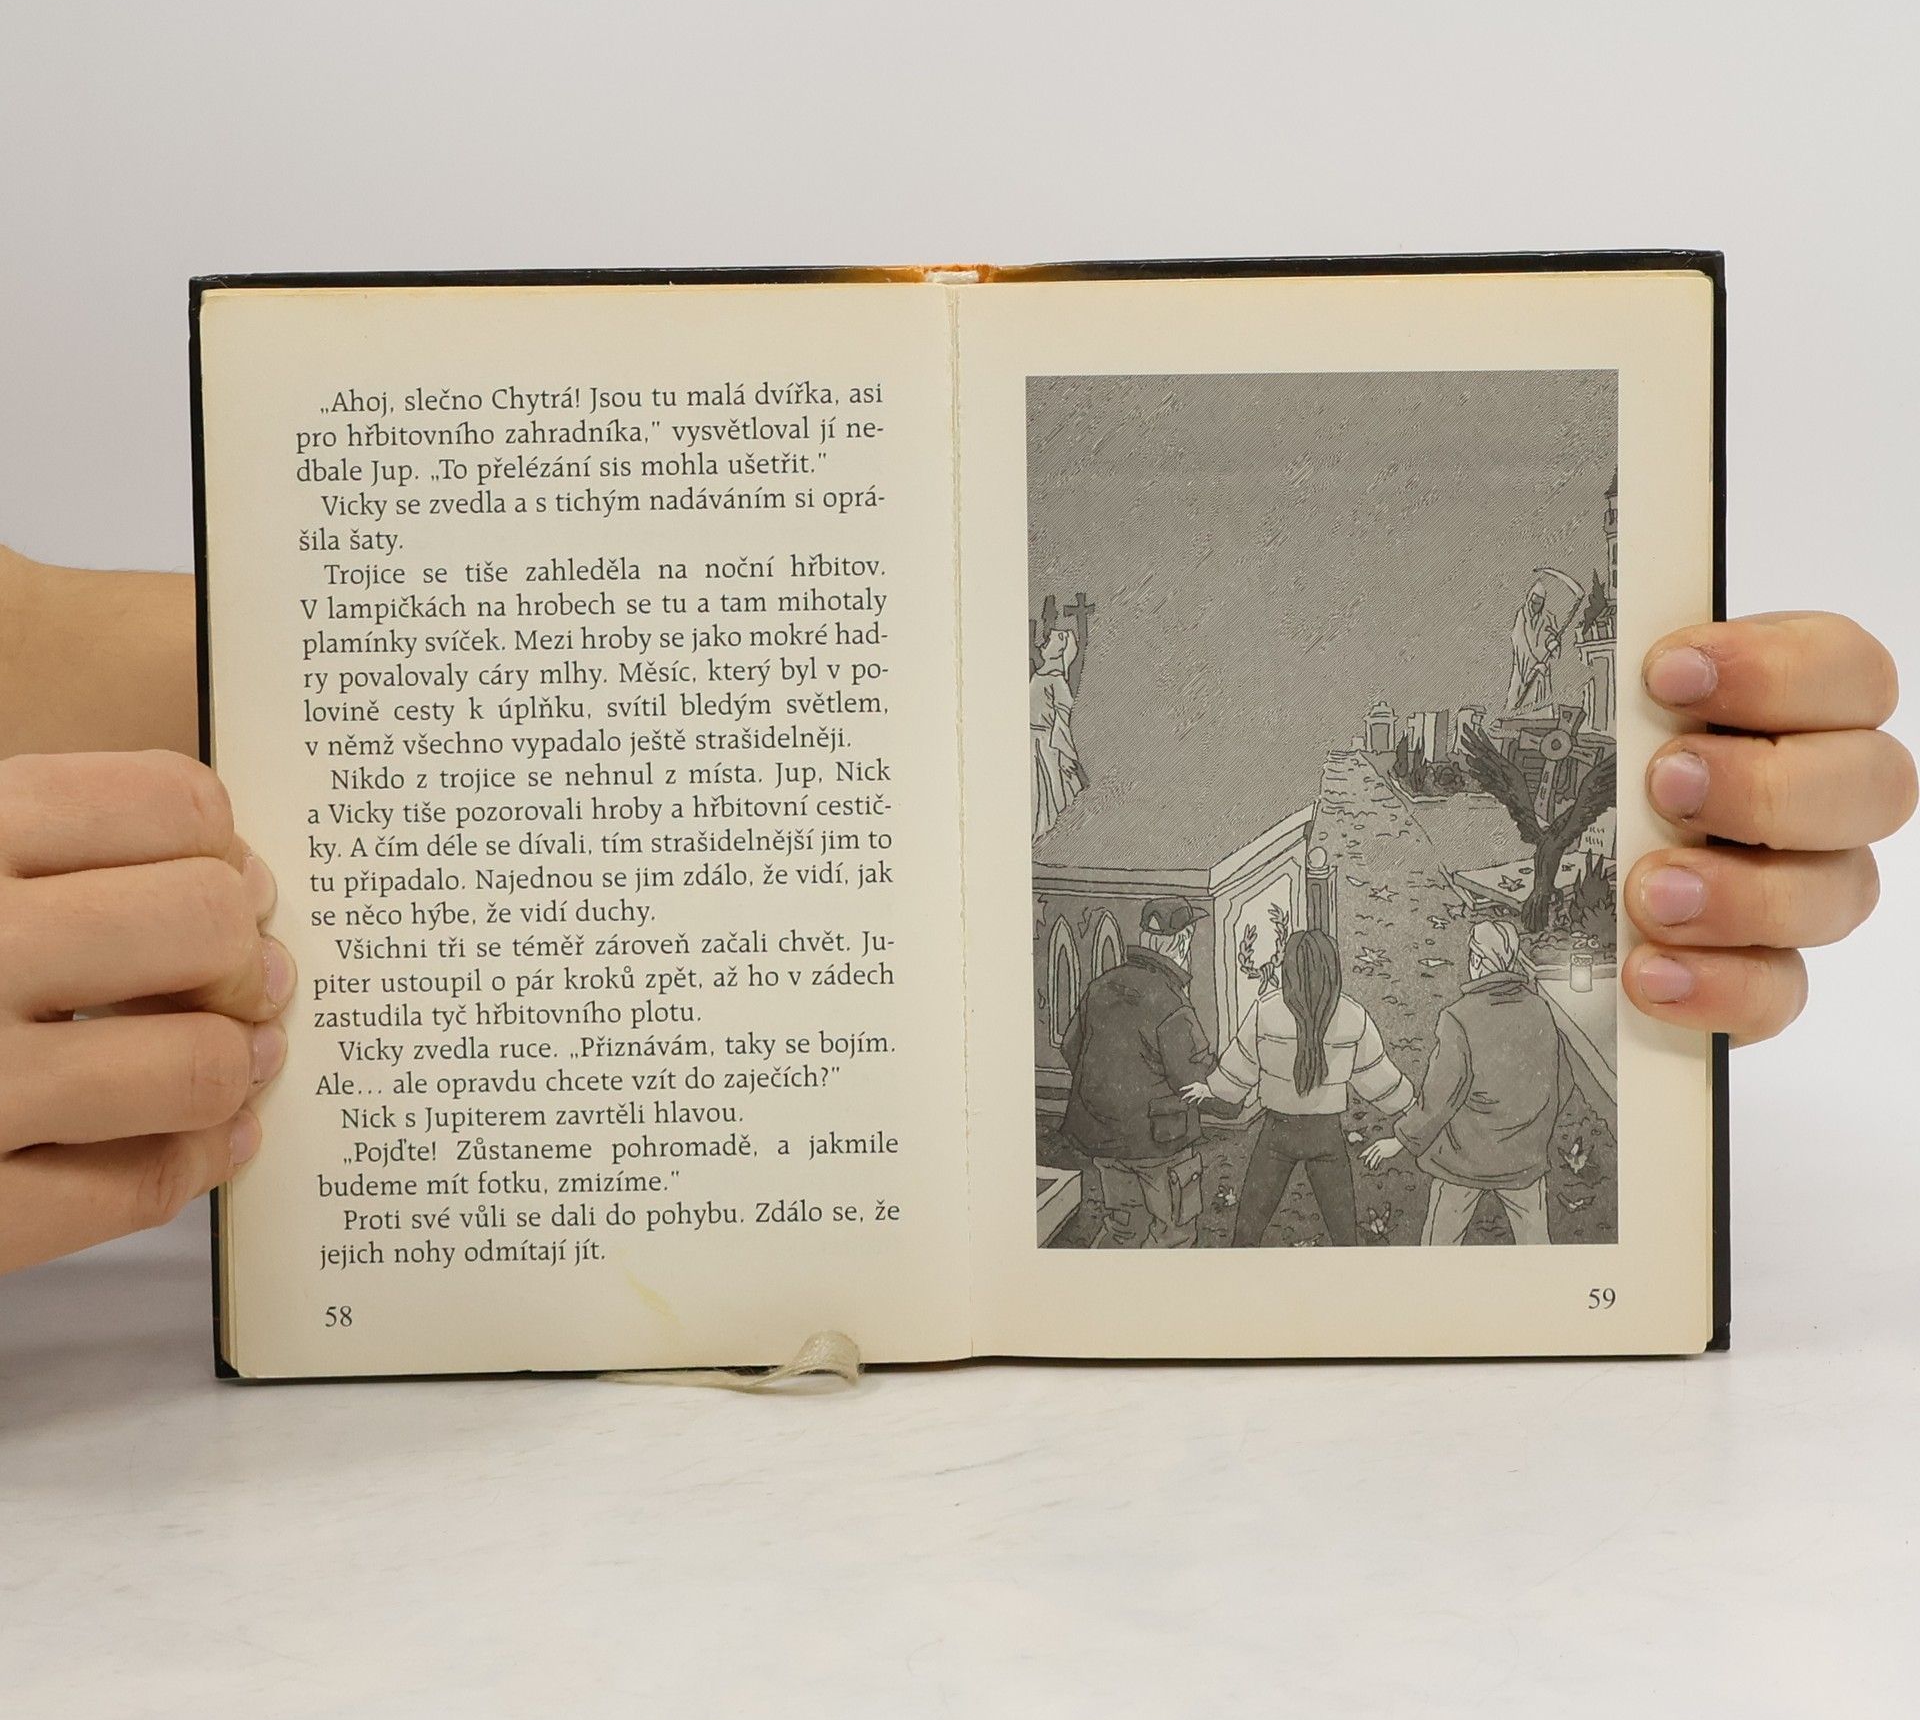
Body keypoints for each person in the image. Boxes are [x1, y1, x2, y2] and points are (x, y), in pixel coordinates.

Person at [0, 539, 1914, 1278]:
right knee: (1349, 1198)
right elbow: (1246, 1059)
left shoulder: (1301, 975)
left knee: (1383, 1202)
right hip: (1253, 1131)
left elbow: (1318, 1042)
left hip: (1308, 1128)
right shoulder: (1234, 989)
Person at [1185, 927, 1412, 1246]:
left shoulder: (1265, 1011)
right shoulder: (1353, 1015)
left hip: (1277, 1132)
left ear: (1287, 969)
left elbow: (1241, 1067)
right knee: (1344, 1232)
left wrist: (1212, 1089)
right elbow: (1376, 1077)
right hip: (1326, 1134)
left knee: (1248, 1228)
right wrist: (1411, 1106)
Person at [1361, 920, 1566, 1245]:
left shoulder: (1458, 1017)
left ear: (1478, 961)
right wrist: (1534, 1128)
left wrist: (1400, 1139)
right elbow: (1561, 1080)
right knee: (1537, 1242)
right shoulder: (1540, 1009)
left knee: (1439, 1246)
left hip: (1464, 1159)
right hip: (1523, 1157)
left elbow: (1439, 1096)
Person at [1058, 897, 1214, 1247]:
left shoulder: (1101, 986)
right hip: (1162, 1143)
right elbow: (1192, 1076)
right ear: (1183, 941)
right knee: (1174, 1233)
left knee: (1123, 1229)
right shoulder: (1171, 1001)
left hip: (1105, 1137)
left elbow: (1071, 1047)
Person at [1030, 624, 1083, 841]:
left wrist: (1065, 755)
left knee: (1046, 790)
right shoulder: (1038, 676)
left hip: (1045, 746)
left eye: (1047, 642)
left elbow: (1062, 721)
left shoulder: (1057, 681)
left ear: (1059, 650)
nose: (1043, 644)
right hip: (1029, 741)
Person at [1506, 580, 1563, 713]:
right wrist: (1541, 656)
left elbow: (1554, 645)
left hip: (1542, 670)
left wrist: (1554, 644)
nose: (1534, 606)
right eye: (1532, 602)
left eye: (1538, 604)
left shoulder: (1548, 618)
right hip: (1524, 668)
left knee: (1541, 704)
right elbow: (1521, 643)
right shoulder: (1522, 616)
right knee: (1517, 702)